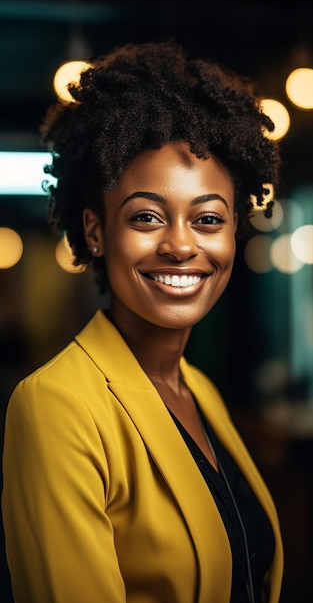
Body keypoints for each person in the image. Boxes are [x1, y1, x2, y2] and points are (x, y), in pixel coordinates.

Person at [1, 40, 284, 603]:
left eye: (207, 218)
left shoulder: (200, 391)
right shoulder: (57, 406)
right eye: (147, 216)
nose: (181, 245)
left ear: (233, 233)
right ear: (97, 231)